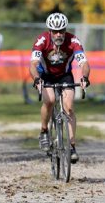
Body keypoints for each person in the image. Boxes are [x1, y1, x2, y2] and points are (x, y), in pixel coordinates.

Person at [29, 12, 90, 164]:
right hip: (46, 75)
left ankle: (72, 147)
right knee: (49, 100)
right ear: (49, 31)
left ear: (65, 30)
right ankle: (44, 131)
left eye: (61, 30)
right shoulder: (41, 41)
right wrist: (37, 79)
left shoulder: (73, 40)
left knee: (69, 108)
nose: (58, 34)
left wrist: (84, 77)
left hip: (64, 75)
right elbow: (33, 65)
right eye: (55, 31)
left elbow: (84, 63)